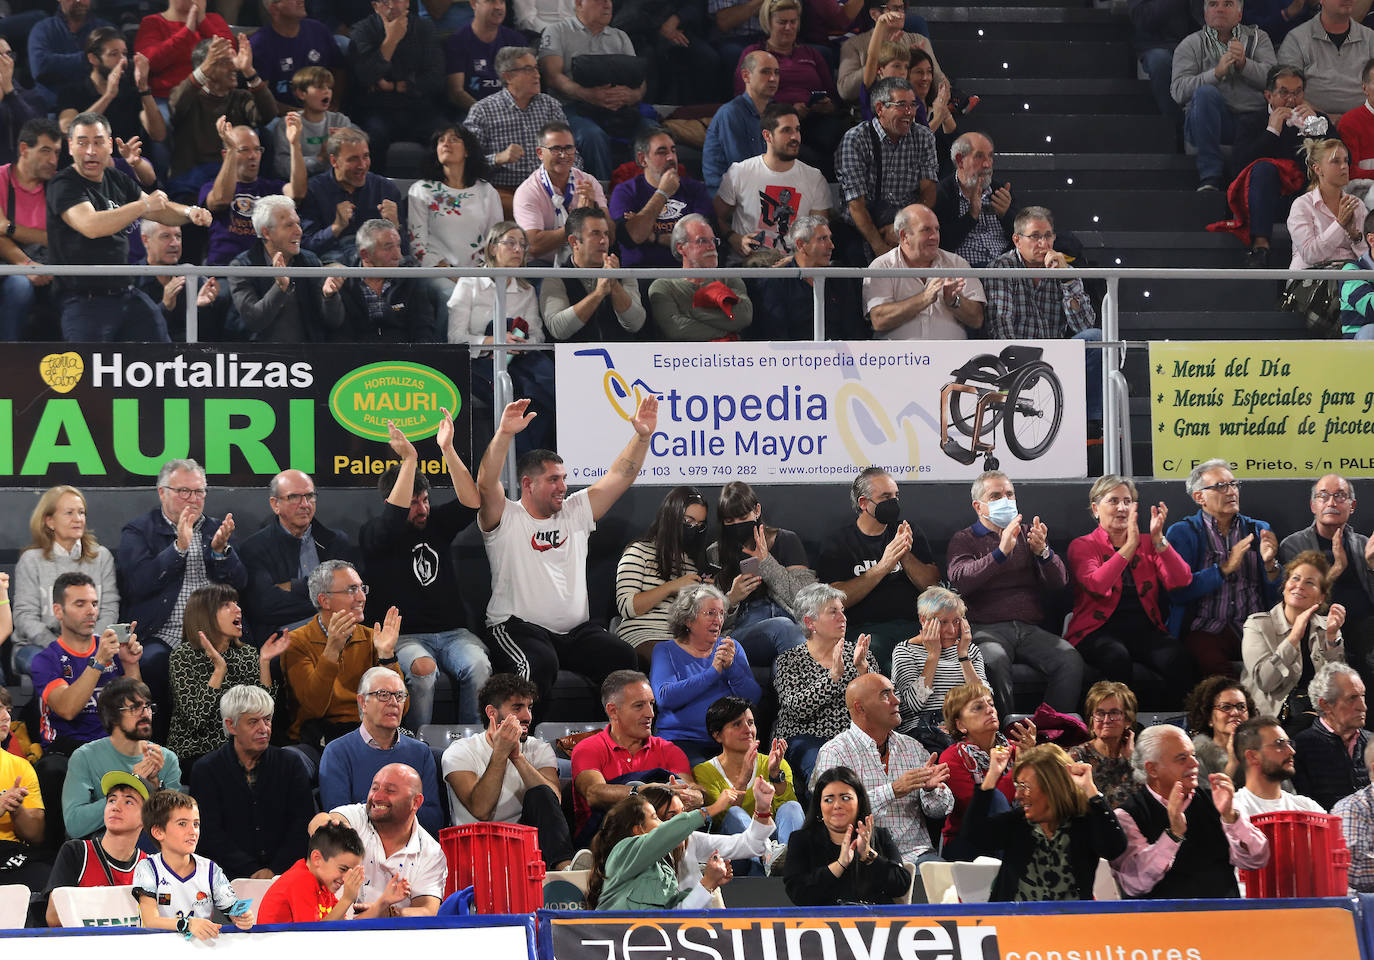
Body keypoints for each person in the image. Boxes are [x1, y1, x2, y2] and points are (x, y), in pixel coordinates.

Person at [477, 397, 645, 701]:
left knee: (622, 660)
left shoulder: (576, 511)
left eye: (564, 478)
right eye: (553, 479)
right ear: (528, 484)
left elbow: (622, 474)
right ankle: (520, 744)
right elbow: (486, 484)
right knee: (537, 663)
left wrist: (642, 436)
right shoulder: (507, 517)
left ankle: (610, 743)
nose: (563, 486)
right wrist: (503, 434)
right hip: (517, 629)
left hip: (576, 633)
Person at [359, 419, 490, 727]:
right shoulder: (375, 533)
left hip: (453, 632)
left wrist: (447, 449)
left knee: (479, 666)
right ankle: (417, 742)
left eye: (425, 500)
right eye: (413, 502)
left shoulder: (436, 524)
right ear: (394, 501)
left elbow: (472, 502)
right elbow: (392, 520)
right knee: (423, 669)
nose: (422, 509)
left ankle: (470, 742)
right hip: (406, 636)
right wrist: (410, 460)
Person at [48, 111, 212, 341]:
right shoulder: (64, 184)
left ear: (109, 145)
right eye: (82, 143)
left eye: (98, 142)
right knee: (88, 371)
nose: (90, 151)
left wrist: (190, 212)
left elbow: (160, 210)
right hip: (83, 298)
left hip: (125, 292)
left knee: (161, 354)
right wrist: (142, 205)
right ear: (70, 146)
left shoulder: (116, 178)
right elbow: (91, 226)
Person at [946, 469, 1084, 716]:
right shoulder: (965, 539)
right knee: (994, 661)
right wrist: (999, 553)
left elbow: (1059, 581)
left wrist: (1043, 552)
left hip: (1029, 628)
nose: (1006, 501)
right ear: (979, 507)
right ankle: (1003, 733)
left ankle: (1051, 731)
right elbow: (960, 580)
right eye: (996, 496)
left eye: (1010, 495)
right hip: (985, 628)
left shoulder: (1028, 533)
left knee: (1069, 659)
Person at [117, 458, 244, 719]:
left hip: (216, 632)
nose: (192, 499)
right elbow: (138, 585)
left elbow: (241, 585)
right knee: (153, 662)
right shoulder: (139, 531)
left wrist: (221, 553)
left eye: (199, 492)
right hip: (164, 633)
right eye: (184, 491)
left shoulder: (215, 530)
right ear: (162, 492)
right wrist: (178, 549)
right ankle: (159, 743)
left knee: (251, 660)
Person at [1066, 474, 1193, 709]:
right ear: (1096, 508)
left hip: (1144, 629)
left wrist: (1159, 540)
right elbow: (1097, 585)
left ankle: (1176, 726)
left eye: (1127, 501)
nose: (1122, 507)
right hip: (1097, 631)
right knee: (1116, 657)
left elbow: (1181, 580)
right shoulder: (1083, 545)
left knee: (1176, 657)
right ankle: (1122, 726)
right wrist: (1128, 547)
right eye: (1113, 501)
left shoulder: (1147, 542)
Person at [812, 674, 952, 884]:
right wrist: (893, 790)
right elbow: (833, 813)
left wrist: (931, 791)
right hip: (860, 858)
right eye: (886, 695)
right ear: (860, 708)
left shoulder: (913, 748)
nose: (897, 700)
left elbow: (940, 810)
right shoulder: (835, 752)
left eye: (894, 693)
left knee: (946, 882)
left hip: (917, 857)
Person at [1110, 724, 1269, 898]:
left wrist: (1231, 818)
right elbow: (1136, 883)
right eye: (1182, 758)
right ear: (1152, 769)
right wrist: (1173, 835)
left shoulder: (1217, 800)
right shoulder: (1127, 816)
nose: (1194, 763)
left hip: (1223, 918)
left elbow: (1257, 858)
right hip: (1161, 921)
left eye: (1193, 755)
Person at [961, 743, 1128, 901]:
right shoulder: (1018, 823)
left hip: (1069, 926)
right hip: (1015, 924)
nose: (1018, 795)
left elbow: (1114, 849)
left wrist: (1091, 792)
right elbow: (974, 834)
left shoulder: (1084, 822)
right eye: (1017, 785)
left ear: (1052, 787)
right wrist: (992, 776)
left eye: (1025, 786)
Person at [1166, 458, 1283, 679]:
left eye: (1234, 484)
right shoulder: (1182, 533)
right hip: (1206, 627)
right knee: (1217, 673)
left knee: (1270, 671)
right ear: (1199, 497)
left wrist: (1270, 566)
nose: (1231, 492)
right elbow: (1178, 592)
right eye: (1221, 486)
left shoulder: (1258, 529)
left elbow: (1276, 593)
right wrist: (1224, 569)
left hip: (1253, 625)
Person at [442, 674, 574, 868]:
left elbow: (553, 800)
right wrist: (501, 753)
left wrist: (517, 758)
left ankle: (567, 872)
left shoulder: (538, 749)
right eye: (517, 708)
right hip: (477, 848)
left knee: (541, 792)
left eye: (529, 707)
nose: (527, 716)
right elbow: (481, 810)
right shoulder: (460, 751)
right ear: (492, 713)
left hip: (527, 848)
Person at [447, 221, 556, 452]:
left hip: (520, 360)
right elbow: (455, 338)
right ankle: (516, 467)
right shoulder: (469, 283)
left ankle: (538, 460)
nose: (518, 249)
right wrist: (494, 341)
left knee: (545, 392)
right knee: (515, 395)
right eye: (511, 243)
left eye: (522, 245)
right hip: (478, 362)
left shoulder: (525, 290)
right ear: (493, 247)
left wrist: (521, 344)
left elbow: (537, 336)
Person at [815, 468, 936, 673]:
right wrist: (883, 566)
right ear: (863, 503)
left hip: (912, 626)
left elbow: (930, 584)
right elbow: (837, 599)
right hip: (867, 631)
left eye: (896, 496)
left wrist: (903, 553)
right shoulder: (839, 542)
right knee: (885, 665)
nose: (894, 502)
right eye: (886, 497)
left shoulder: (907, 531)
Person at [191, 684, 314, 882]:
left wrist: (273, 871)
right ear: (231, 726)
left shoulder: (291, 765)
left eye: (267, 720)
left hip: (286, 875)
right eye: (253, 722)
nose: (264, 729)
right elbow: (209, 834)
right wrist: (250, 871)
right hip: (226, 879)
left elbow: (302, 824)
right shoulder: (206, 770)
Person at [281, 559, 403, 745]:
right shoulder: (297, 642)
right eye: (352, 590)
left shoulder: (374, 639)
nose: (362, 597)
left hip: (370, 732)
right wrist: (332, 651)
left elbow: (401, 708)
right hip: (319, 737)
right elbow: (313, 709)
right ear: (324, 600)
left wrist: (387, 655)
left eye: (362, 589)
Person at [571, 670, 702, 841]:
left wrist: (696, 796)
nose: (650, 714)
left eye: (651, 704)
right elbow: (594, 793)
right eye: (639, 706)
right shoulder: (588, 748)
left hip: (666, 839)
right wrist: (644, 791)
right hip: (604, 842)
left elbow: (689, 789)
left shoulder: (670, 750)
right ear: (613, 711)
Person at [982, 207, 1101, 392]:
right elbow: (1000, 326)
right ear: (1017, 240)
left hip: (1055, 355)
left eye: (1048, 236)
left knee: (1096, 338)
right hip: (1017, 356)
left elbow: (1084, 326)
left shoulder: (1064, 269)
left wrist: (1067, 280)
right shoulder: (1001, 268)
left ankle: (1094, 420)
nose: (1043, 243)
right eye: (1035, 236)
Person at [168, 584, 282, 774]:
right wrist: (219, 670)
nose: (238, 609)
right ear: (206, 615)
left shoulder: (246, 653)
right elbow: (196, 718)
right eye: (227, 605)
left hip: (245, 748)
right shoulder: (183, 656)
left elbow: (266, 711)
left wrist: (264, 662)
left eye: (236, 603)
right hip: (197, 752)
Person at [317, 667, 444, 837]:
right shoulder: (337, 752)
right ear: (363, 702)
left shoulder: (420, 752)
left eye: (399, 696)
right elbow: (339, 821)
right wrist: (400, 809)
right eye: (383, 695)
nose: (393, 702)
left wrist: (379, 809)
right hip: (359, 854)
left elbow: (433, 819)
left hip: (413, 852)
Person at [773, 584, 879, 786]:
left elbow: (881, 703)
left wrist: (863, 670)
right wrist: (833, 678)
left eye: (842, 611)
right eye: (833, 612)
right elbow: (796, 709)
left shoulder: (858, 654)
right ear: (810, 622)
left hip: (854, 738)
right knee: (828, 775)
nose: (843, 617)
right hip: (807, 738)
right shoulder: (789, 660)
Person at [309, 763, 447, 916]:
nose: (377, 797)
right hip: (329, 932)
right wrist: (324, 827)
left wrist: (388, 913)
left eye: (390, 791)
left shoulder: (431, 852)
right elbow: (323, 820)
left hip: (390, 936)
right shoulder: (357, 816)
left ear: (416, 802)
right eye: (375, 788)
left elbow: (427, 911)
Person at [11, 485, 119, 677]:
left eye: (81, 513)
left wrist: (89, 646)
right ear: (49, 521)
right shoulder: (31, 560)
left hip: (92, 646)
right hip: (39, 646)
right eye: (69, 513)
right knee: (52, 666)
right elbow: (24, 616)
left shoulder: (102, 557)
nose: (78, 519)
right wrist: (62, 648)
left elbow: (110, 609)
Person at [537, 0, 650, 180]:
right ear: (579, 3)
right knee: (592, 136)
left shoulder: (620, 37)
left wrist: (632, 95)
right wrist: (589, 95)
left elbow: (640, 80)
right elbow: (553, 77)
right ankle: (601, 196)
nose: (607, 5)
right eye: (600, 0)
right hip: (571, 107)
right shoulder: (557, 31)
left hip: (619, 109)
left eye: (610, 1)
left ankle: (648, 193)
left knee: (653, 133)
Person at [1231, 65, 1331, 268]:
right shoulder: (1252, 121)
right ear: (1268, 95)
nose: (1292, 100)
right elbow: (1238, 167)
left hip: (1306, 197)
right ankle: (1260, 247)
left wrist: (1316, 129)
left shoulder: (1316, 120)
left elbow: (1340, 158)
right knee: (1264, 169)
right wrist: (1271, 132)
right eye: (1284, 93)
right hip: (1266, 201)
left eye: (1298, 92)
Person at [238, 470, 358, 637]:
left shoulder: (336, 542)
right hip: (283, 641)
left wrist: (295, 586)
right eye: (294, 497)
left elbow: (350, 597)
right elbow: (265, 606)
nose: (305, 504)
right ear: (275, 504)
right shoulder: (254, 548)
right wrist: (327, 599)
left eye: (310, 496)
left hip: (337, 633)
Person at [651, 585, 761, 765]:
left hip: (728, 741)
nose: (718, 620)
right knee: (708, 785)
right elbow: (665, 697)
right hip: (680, 741)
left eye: (721, 614)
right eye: (710, 613)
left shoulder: (731, 647)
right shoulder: (665, 651)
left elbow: (753, 697)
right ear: (688, 619)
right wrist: (713, 672)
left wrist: (731, 668)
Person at [31, 574, 143, 751]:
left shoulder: (112, 649)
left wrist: (130, 664)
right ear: (58, 611)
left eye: (94, 604)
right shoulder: (45, 660)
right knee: (51, 769)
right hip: (64, 747)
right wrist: (98, 661)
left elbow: (137, 708)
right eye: (80, 604)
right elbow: (67, 709)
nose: (91, 611)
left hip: (112, 744)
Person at [732, 0, 844, 177]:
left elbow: (833, 95)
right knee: (803, 152)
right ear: (768, 23)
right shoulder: (754, 53)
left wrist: (828, 105)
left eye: (793, 22)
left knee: (839, 135)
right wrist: (788, 111)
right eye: (782, 22)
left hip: (815, 119)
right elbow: (743, 97)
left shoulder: (812, 54)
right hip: (774, 121)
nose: (788, 27)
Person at [63, 678, 183, 840]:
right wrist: (129, 786)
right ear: (112, 716)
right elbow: (75, 824)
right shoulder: (84, 757)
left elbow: (177, 826)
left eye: (148, 706)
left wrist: (155, 790)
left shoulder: (166, 759)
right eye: (134, 708)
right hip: (107, 848)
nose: (145, 713)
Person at [1172, 0, 1274, 190]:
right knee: (1204, 94)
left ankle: (1251, 184)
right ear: (1205, 14)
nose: (1219, 8)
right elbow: (1178, 91)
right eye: (1213, 4)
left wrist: (1245, 65)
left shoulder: (1259, 38)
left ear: (1239, 14)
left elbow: (1275, 82)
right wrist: (1215, 74)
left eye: (1227, 4)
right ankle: (1210, 177)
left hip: (1252, 119)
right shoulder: (1190, 44)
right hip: (1213, 121)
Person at [710, 481, 813, 664]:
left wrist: (767, 563)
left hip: (790, 625)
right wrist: (731, 599)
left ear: (757, 510)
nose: (737, 525)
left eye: (742, 518)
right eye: (729, 521)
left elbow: (808, 602)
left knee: (782, 662)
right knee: (782, 627)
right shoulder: (716, 553)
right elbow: (706, 620)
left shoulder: (786, 540)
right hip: (744, 630)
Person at [1279, 475, 1374, 673]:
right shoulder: (1294, 545)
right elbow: (1297, 599)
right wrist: (1337, 568)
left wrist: (1372, 566)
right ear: (1313, 505)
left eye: (1340, 496)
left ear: (1352, 505)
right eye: (1323, 496)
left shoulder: (1363, 543)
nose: (1331, 502)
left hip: (1366, 628)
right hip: (1318, 626)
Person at [836, 76, 938, 259]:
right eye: (901, 105)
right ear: (880, 108)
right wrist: (880, 248)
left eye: (913, 105)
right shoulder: (856, 139)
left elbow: (929, 190)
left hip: (907, 225)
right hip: (861, 227)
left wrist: (904, 229)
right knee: (853, 254)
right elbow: (856, 205)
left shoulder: (923, 136)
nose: (909, 112)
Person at [782, 765, 912, 905]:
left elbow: (901, 886)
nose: (837, 805)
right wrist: (839, 865)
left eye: (845, 798)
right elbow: (798, 894)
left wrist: (867, 854)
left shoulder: (880, 836)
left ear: (859, 802)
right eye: (828, 800)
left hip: (875, 923)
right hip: (822, 924)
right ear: (819, 807)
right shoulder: (801, 840)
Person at [586, 790, 738, 910]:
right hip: (615, 940)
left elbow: (677, 915)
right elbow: (665, 834)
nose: (663, 823)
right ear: (639, 830)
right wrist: (713, 809)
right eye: (655, 818)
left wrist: (710, 882)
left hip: (646, 941)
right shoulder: (623, 851)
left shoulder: (665, 868)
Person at [1242, 550, 1346, 723]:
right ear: (1284, 587)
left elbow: (1338, 684)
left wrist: (1331, 638)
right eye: (1295, 578)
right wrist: (1293, 639)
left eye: (1310, 582)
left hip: (1317, 715)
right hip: (1271, 720)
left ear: (1320, 597)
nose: (1299, 586)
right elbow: (1265, 682)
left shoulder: (1327, 626)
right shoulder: (1257, 625)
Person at [716, 104, 831, 260]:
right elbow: (716, 217)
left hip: (794, 269)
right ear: (767, 136)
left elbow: (820, 233)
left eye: (797, 129)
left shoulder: (814, 178)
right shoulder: (740, 172)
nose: (795, 137)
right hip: (748, 265)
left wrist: (794, 260)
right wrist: (734, 238)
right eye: (786, 130)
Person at [133, 789, 253, 938]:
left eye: (196, 824)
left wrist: (242, 917)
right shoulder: (147, 868)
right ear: (158, 832)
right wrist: (188, 924)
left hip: (201, 950)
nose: (193, 831)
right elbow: (150, 920)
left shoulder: (210, 869)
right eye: (182, 824)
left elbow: (233, 909)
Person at [167, 36, 278, 197]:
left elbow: (268, 115)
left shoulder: (241, 97)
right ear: (207, 67)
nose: (234, 67)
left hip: (235, 175)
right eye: (225, 62)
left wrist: (249, 71)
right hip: (192, 181)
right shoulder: (189, 97)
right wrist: (204, 68)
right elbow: (176, 106)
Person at [936, 682, 1037, 856]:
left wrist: (1033, 759)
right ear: (960, 725)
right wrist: (1020, 766)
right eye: (978, 707)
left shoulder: (1018, 749)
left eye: (991, 704)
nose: (990, 710)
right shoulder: (952, 757)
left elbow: (1037, 800)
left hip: (1016, 834)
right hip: (968, 841)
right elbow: (982, 809)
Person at [230, 193, 346, 342]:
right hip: (258, 359)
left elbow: (334, 322)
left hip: (307, 358)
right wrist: (280, 288)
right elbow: (254, 321)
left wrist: (329, 297)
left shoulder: (309, 261)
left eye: (298, 223)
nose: (299, 231)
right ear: (266, 233)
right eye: (289, 225)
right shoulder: (241, 267)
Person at [693, 696, 804, 849]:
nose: (748, 730)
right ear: (717, 735)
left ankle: (789, 862)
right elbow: (722, 820)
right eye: (737, 724)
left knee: (791, 807)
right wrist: (743, 779)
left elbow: (790, 817)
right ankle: (765, 859)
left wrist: (775, 775)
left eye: (750, 723)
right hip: (735, 848)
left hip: (775, 841)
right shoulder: (704, 772)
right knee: (735, 814)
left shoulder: (776, 762)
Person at [862, 203, 985, 339]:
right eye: (926, 230)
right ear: (904, 236)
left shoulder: (957, 264)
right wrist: (924, 298)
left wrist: (954, 301)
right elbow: (879, 320)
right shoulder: (882, 266)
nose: (934, 237)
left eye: (936, 229)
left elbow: (977, 319)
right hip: (899, 358)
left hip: (951, 357)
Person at [406, 124, 502, 296]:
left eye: (453, 139)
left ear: (467, 151)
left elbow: (495, 241)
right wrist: (449, 273)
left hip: (479, 273)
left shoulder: (487, 191)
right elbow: (417, 244)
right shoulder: (421, 190)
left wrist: (480, 274)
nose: (445, 144)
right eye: (441, 141)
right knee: (454, 296)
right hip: (437, 272)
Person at [43, 771, 148, 928]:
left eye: (128, 802)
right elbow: (54, 916)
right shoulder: (76, 852)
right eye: (112, 800)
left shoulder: (149, 865)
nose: (116, 807)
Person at [615, 487, 708, 662]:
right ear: (672, 517)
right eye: (688, 521)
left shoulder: (691, 562)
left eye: (699, 525)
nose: (693, 529)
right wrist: (672, 587)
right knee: (671, 657)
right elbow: (627, 607)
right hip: (642, 634)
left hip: (680, 637)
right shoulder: (639, 551)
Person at [462, 46, 570, 196]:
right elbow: (466, 161)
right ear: (508, 77)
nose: (537, 75)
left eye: (536, 68)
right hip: (504, 191)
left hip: (549, 188)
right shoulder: (482, 111)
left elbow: (572, 153)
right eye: (528, 69)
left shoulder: (550, 106)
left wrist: (565, 174)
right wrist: (499, 158)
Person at [891, 586, 988, 753]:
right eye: (943, 622)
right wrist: (933, 656)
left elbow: (984, 698)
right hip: (922, 730)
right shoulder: (905, 651)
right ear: (923, 620)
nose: (951, 630)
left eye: (956, 621)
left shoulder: (969, 650)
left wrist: (963, 656)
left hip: (965, 723)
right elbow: (915, 704)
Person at [200, 115, 306, 266]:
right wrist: (231, 149)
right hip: (223, 272)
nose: (253, 156)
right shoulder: (210, 187)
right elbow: (221, 200)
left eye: (257, 149)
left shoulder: (272, 188)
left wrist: (295, 144)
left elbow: (298, 193)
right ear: (226, 154)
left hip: (267, 271)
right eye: (243, 150)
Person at [346, 0, 444, 162]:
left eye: (397, 0)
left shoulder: (425, 28)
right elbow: (365, 78)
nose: (392, 6)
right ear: (375, 5)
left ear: (407, 2)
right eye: (385, 2)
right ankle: (373, 185)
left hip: (419, 108)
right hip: (378, 109)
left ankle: (439, 186)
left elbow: (435, 79)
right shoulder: (362, 30)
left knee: (448, 136)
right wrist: (391, 40)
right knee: (372, 138)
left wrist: (395, 86)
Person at [610, 127, 713, 269]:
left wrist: (654, 237)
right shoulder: (625, 191)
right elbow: (634, 236)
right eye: (662, 152)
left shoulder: (695, 189)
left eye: (673, 151)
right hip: (641, 274)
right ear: (642, 159)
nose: (671, 157)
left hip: (688, 273)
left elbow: (701, 241)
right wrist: (663, 193)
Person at [299, 128, 405, 264]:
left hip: (381, 264)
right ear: (334, 161)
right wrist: (336, 228)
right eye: (353, 159)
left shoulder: (386, 189)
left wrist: (395, 226)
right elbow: (305, 248)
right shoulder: (314, 189)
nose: (362, 165)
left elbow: (405, 251)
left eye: (365, 156)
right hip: (335, 265)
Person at [539, 205, 644, 338]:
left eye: (606, 234)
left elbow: (636, 324)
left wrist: (614, 284)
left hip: (621, 356)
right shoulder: (555, 278)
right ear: (574, 242)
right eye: (595, 234)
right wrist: (599, 293)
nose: (603, 241)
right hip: (574, 357)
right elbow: (558, 329)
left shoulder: (623, 275)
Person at [513, 121, 607, 265]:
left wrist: (596, 209)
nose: (564, 155)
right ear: (540, 153)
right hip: (544, 265)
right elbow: (533, 246)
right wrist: (578, 221)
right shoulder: (528, 191)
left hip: (584, 262)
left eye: (569, 148)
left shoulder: (589, 182)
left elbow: (610, 234)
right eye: (556, 149)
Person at [648, 215, 754, 341]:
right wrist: (726, 330)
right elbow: (676, 330)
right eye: (702, 241)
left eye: (714, 241)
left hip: (731, 357)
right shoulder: (663, 286)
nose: (712, 246)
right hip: (682, 359)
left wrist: (694, 312)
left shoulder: (729, 278)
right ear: (681, 248)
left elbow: (744, 317)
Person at [0, 117, 60, 340]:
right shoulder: (1, 179)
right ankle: (8, 358)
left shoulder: (59, 184)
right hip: (9, 268)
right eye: (46, 151)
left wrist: (9, 228)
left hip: (51, 267)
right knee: (19, 286)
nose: (53, 160)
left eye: (57, 152)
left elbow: (58, 238)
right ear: (24, 149)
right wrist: (26, 265)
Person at [56, 30, 164, 153]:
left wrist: (144, 88)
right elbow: (69, 131)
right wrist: (108, 96)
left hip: (127, 163)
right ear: (93, 59)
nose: (122, 61)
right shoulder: (72, 91)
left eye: (124, 54)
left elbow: (158, 135)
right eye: (114, 54)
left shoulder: (131, 92)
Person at [256, 821, 380, 923]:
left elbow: (342, 923)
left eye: (351, 872)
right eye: (343, 869)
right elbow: (314, 935)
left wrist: (384, 901)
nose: (346, 877)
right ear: (317, 858)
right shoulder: (301, 880)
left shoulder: (323, 884)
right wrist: (347, 899)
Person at [338, 217, 437, 341]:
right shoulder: (344, 282)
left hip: (403, 356)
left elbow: (423, 328)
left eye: (398, 246)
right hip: (358, 356)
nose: (398, 256)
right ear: (365, 255)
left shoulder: (410, 277)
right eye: (388, 248)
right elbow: (341, 335)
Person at [1293, 661, 1370, 808]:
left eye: (1363, 696)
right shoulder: (1300, 748)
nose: (1363, 707)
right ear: (1325, 705)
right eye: (1352, 698)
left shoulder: (1371, 743)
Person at [1278, 0, 1372, 120]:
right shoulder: (1296, 40)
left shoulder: (1370, 39)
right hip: (1312, 125)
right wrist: (1328, 120)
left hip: (1364, 124)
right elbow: (1287, 94)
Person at [931, 132, 1014, 267]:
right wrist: (971, 216)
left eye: (990, 156)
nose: (987, 164)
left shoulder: (1001, 191)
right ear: (960, 160)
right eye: (979, 156)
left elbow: (1022, 236)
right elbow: (940, 244)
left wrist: (1006, 214)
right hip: (965, 272)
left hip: (1004, 270)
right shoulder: (940, 194)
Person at [703, 50, 780, 193]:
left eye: (776, 72)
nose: (773, 78)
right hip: (729, 196)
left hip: (761, 191)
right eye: (765, 72)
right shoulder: (731, 113)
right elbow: (742, 170)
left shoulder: (776, 112)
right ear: (746, 76)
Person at [838, 0, 942, 104]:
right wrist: (885, 57)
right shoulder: (854, 45)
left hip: (914, 109)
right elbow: (846, 92)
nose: (901, 14)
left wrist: (919, 62)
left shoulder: (919, 40)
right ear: (874, 14)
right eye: (895, 9)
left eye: (902, 8)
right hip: (873, 111)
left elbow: (941, 86)